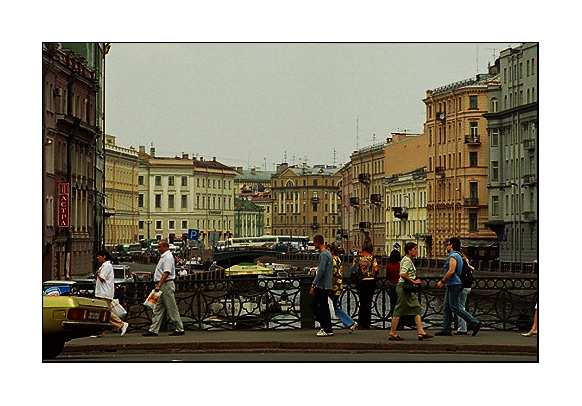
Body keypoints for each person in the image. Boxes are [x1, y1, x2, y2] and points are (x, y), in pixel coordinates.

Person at [435, 237, 482, 336]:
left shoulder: (453, 256)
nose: (446, 247)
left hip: (454, 284)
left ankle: (474, 322)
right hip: (453, 284)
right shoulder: (459, 256)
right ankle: (446, 329)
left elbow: (452, 270)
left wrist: (442, 281)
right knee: (446, 307)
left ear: (451, 245)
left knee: (455, 307)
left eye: (447, 245)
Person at [388, 242, 433, 341]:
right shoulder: (407, 261)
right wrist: (414, 281)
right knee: (399, 309)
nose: (416, 251)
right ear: (409, 250)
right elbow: (402, 274)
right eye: (415, 249)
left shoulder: (405, 260)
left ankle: (420, 331)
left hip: (405, 288)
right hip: (403, 288)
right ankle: (392, 332)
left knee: (416, 307)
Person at [142, 240, 185, 337]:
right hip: (162, 285)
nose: (158, 249)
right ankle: (153, 330)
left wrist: (159, 285)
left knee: (171, 307)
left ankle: (179, 328)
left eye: (159, 247)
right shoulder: (164, 257)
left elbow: (167, 272)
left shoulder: (168, 257)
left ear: (165, 247)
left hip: (165, 285)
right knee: (157, 308)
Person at [94, 249, 128, 337]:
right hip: (103, 292)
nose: (97, 258)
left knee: (105, 312)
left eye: (99, 256)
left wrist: (97, 273)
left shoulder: (107, 266)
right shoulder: (104, 265)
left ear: (104, 256)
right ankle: (101, 331)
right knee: (103, 313)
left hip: (105, 293)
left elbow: (102, 278)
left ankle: (121, 324)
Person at [328, 243, 357, 333]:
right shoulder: (338, 259)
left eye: (328, 250)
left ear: (332, 251)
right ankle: (349, 323)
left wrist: (330, 286)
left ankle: (350, 323)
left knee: (333, 307)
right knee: (335, 307)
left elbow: (335, 275)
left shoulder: (333, 260)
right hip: (338, 285)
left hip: (334, 287)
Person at [309, 235, 334, 337]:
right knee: (322, 306)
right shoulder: (328, 253)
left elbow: (321, 271)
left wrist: (313, 284)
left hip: (322, 285)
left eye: (314, 243)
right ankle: (326, 327)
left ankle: (326, 327)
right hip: (326, 284)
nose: (314, 245)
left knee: (316, 305)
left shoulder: (323, 255)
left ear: (317, 243)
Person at [354, 239, 379, 329]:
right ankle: (367, 324)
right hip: (370, 282)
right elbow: (376, 269)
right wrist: (373, 275)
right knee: (368, 303)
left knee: (361, 302)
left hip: (361, 282)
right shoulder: (372, 258)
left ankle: (360, 324)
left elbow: (354, 268)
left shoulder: (358, 257)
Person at [456, 251, 474, 335]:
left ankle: (464, 328)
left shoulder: (460, 261)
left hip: (462, 286)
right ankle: (468, 324)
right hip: (468, 286)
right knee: (461, 307)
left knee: (460, 308)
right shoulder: (466, 262)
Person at [385, 249, 401, 319]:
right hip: (400, 286)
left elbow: (387, 276)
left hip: (392, 285)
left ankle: (393, 322)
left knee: (393, 304)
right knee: (400, 305)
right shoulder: (400, 265)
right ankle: (400, 324)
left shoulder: (389, 265)